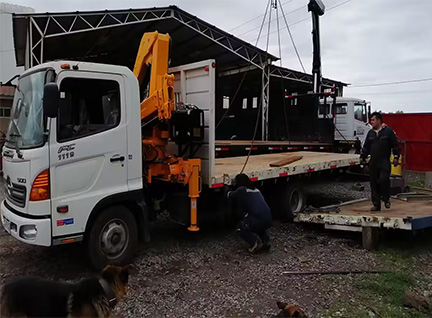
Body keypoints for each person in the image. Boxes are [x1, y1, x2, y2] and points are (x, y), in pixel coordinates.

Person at [360, 112, 400, 211]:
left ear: (379, 120)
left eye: (373, 120)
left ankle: (386, 199)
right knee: (374, 183)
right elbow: (366, 147)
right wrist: (362, 157)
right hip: (373, 162)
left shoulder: (388, 132)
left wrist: (396, 157)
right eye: (371, 120)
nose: (371, 122)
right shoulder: (370, 133)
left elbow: (395, 145)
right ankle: (376, 204)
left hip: (384, 161)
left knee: (383, 179)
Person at [227, 174, 272, 253]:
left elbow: (230, 195)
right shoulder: (256, 190)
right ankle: (266, 241)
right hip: (268, 218)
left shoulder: (242, 190)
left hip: (258, 219)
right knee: (258, 225)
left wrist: (227, 188)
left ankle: (256, 243)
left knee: (241, 227)